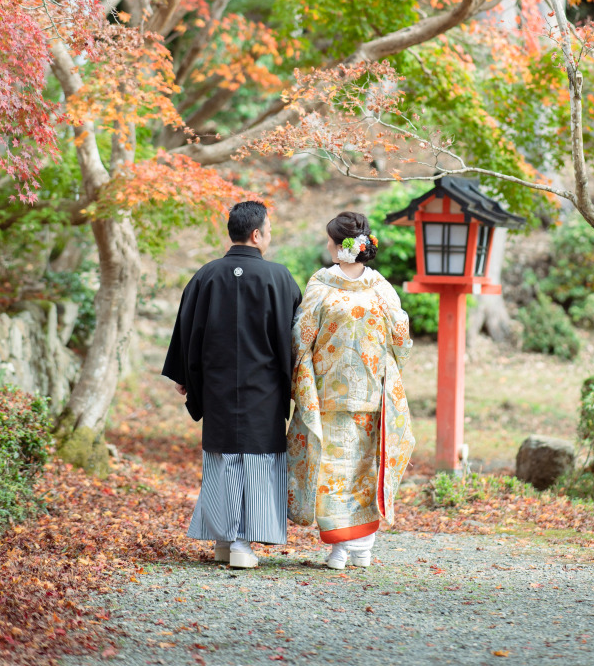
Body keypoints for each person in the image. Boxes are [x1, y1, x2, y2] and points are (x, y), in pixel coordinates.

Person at [162, 199, 301, 569]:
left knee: (223, 460)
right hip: (265, 390)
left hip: (218, 387)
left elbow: (187, 332)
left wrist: (187, 378)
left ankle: (224, 541)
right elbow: (294, 340)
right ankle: (241, 543)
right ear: (256, 235)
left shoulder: (206, 275)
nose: (269, 236)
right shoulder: (279, 278)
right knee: (256, 462)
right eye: (268, 230)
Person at [287, 211, 414, 570]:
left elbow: (302, 338)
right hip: (371, 392)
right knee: (357, 471)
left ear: (343, 247)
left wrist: (304, 375)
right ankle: (354, 548)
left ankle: (349, 549)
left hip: (331, 392)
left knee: (340, 470)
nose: (326, 246)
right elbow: (401, 337)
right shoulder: (381, 289)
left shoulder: (321, 286)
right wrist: (385, 366)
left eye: (330, 241)